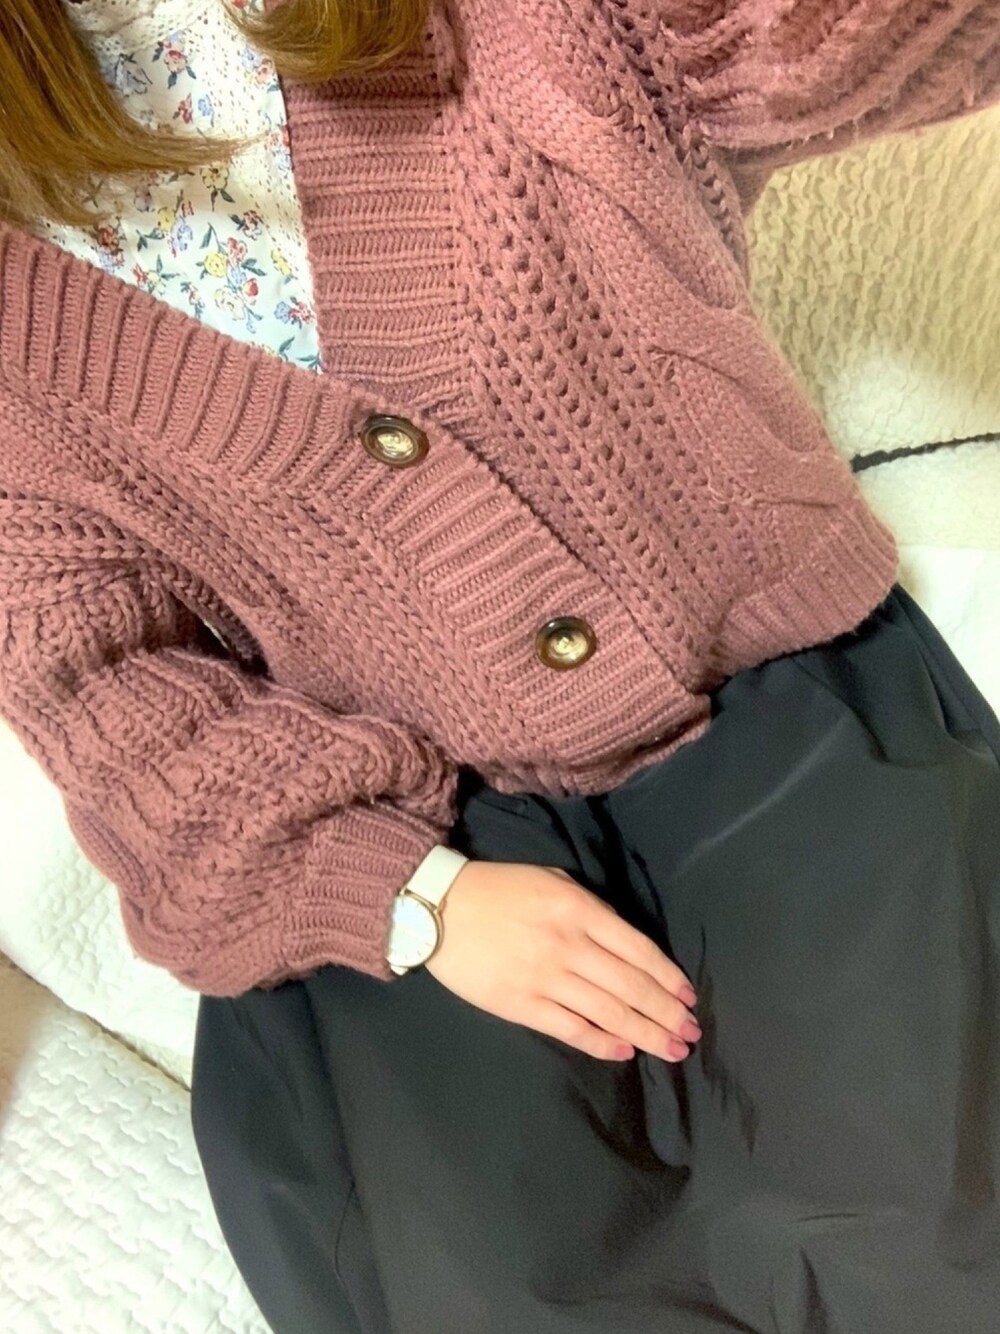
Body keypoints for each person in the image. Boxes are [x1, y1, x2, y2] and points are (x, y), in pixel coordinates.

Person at [1, 0, 998, 1329]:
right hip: (398, 865)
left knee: (941, 1233)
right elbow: (108, 701)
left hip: (777, 717)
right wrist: (421, 905)